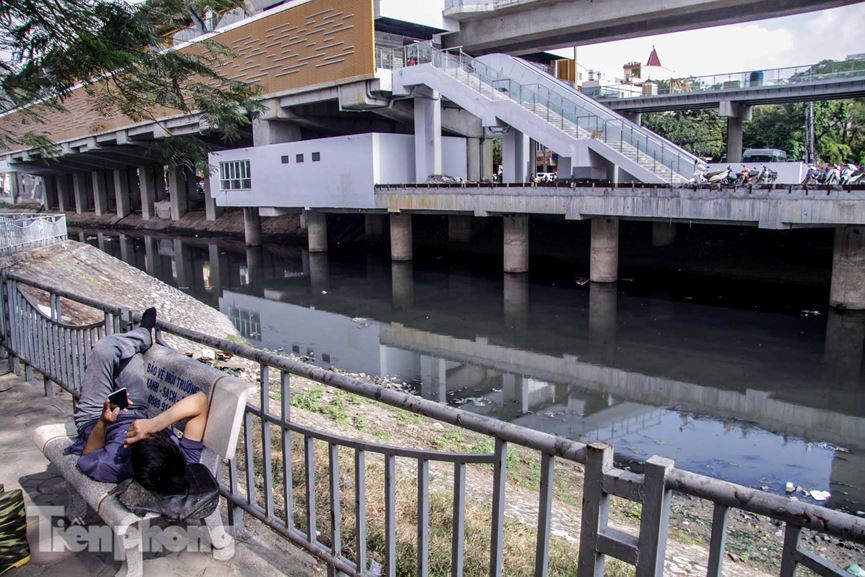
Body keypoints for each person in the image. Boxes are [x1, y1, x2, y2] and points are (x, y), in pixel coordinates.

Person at [66, 308, 209, 493]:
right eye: (153, 435)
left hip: (94, 418)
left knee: (105, 350)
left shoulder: (111, 466)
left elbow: (88, 455)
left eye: (138, 438)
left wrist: (103, 422)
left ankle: (142, 334)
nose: (140, 432)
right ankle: (141, 336)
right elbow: (200, 401)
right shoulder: (181, 465)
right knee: (129, 355)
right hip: (137, 408)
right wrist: (154, 424)